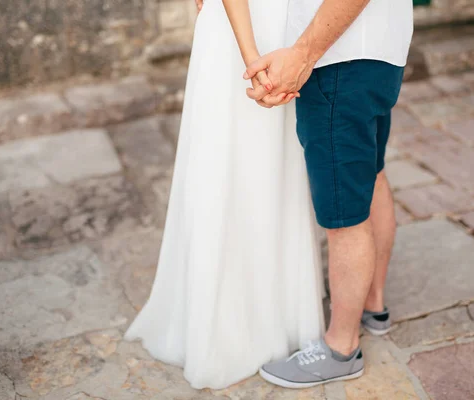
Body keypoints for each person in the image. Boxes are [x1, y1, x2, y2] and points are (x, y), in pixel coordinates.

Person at [124, 0, 326, 390]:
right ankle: (232, 322)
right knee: (232, 164)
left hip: (283, 31)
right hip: (244, 37)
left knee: (270, 166)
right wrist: (252, 63)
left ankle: (273, 314)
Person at [244, 0, 414, 389]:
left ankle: (341, 347)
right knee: (372, 176)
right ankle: (373, 305)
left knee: (342, 213)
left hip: (336, 56)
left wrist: (303, 54)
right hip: (378, 49)